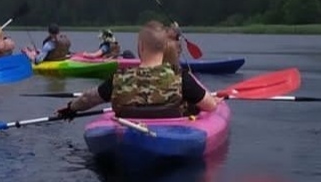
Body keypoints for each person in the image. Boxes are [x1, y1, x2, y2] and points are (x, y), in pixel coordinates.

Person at [55, 21, 219, 120]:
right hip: (170, 131)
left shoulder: (118, 78)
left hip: (129, 131)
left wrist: (70, 109)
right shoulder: (181, 78)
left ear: (140, 47)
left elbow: (88, 99)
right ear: (165, 47)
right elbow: (210, 106)